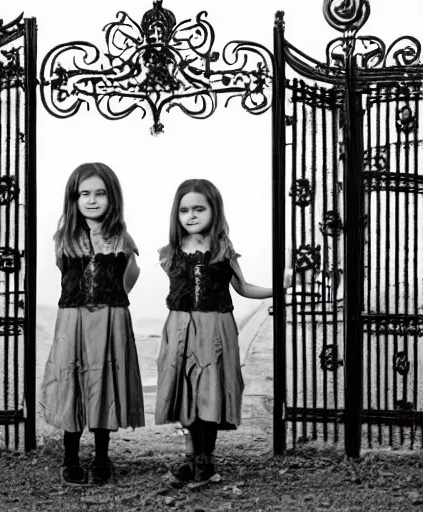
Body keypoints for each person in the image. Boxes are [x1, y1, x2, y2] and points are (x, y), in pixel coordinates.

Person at [155, 178, 292, 482]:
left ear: (214, 211)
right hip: (181, 329)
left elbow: (242, 288)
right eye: (184, 210)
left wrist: (279, 288)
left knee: (211, 389)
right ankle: (190, 459)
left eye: (199, 209)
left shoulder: (223, 250)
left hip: (216, 328)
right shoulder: (169, 253)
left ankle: (206, 460)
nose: (191, 216)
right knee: (187, 391)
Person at [40, 162, 145, 485]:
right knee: (71, 380)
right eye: (84, 193)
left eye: (100, 193)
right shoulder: (64, 238)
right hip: (72, 319)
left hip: (110, 319)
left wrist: (110, 300)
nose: (92, 200)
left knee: (105, 382)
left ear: (112, 198)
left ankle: (102, 456)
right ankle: (70, 456)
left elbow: (131, 275)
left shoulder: (122, 238)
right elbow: (65, 272)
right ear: (73, 199)